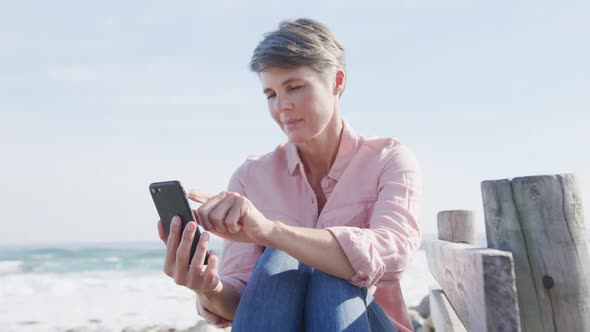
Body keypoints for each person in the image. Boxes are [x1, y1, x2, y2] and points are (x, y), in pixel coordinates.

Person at [157, 18, 422, 332]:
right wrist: (207, 288)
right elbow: (242, 303)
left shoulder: (388, 159)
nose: (282, 106)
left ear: (337, 81)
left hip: (367, 323)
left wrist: (270, 231)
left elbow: (394, 256)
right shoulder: (251, 178)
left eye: (295, 87)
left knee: (325, 270)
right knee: (280, 261)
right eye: (270, 94)